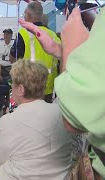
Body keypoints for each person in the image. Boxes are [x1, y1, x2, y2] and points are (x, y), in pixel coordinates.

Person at [20, 7, 105, 178]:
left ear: (28, 15)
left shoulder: (22, 35)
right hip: (51, 89)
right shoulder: (50, 33)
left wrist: (70, 51)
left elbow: (74, 117)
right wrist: (62, 52)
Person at [0, 60, 72, 180]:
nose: (11, 86)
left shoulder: (7, 121)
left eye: (12, 83)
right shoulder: (62, 112)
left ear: (20, 89)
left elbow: (1, 160)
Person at [9, 1, 60, 103]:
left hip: (29, 88)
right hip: (49, 88)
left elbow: (12, 58)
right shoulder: (54, 36)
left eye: (24, 14)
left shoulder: (23, 33)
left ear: (28, 14)